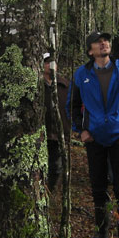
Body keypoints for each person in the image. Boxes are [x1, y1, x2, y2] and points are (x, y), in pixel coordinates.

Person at [67, 31, 119, 238]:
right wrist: (81, 130)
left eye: (106, 40)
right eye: (97, 41)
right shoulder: (81, 74)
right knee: (98, 187)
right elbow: (72, 106)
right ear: (90, 50)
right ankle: (101, 232)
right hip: (94, 140)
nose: (104, 43)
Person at [42, 52, 71, 192]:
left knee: (56, 165)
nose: (50, 65)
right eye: (47, 62)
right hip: (42, 132)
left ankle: (51, 191)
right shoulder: (37, 86)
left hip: (60, 132)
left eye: (52, 62)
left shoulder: (65, 85)